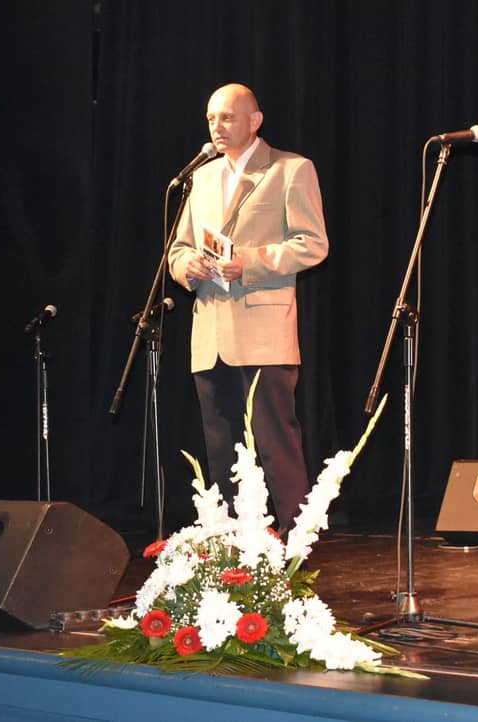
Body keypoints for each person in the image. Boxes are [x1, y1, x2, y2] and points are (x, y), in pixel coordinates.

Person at [168, 83, 329, 533]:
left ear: (255, 121)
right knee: (222, 452)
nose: (216, 127)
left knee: (275, 447)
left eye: (226, 117)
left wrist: (249, 263)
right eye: (211, 119)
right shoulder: (201, 178)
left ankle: (296, 544)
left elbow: (313, 243)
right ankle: (233, 547)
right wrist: (187, 267)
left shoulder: (290, 170)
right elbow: (178, 249)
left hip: (263, 332)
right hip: (210, 335)